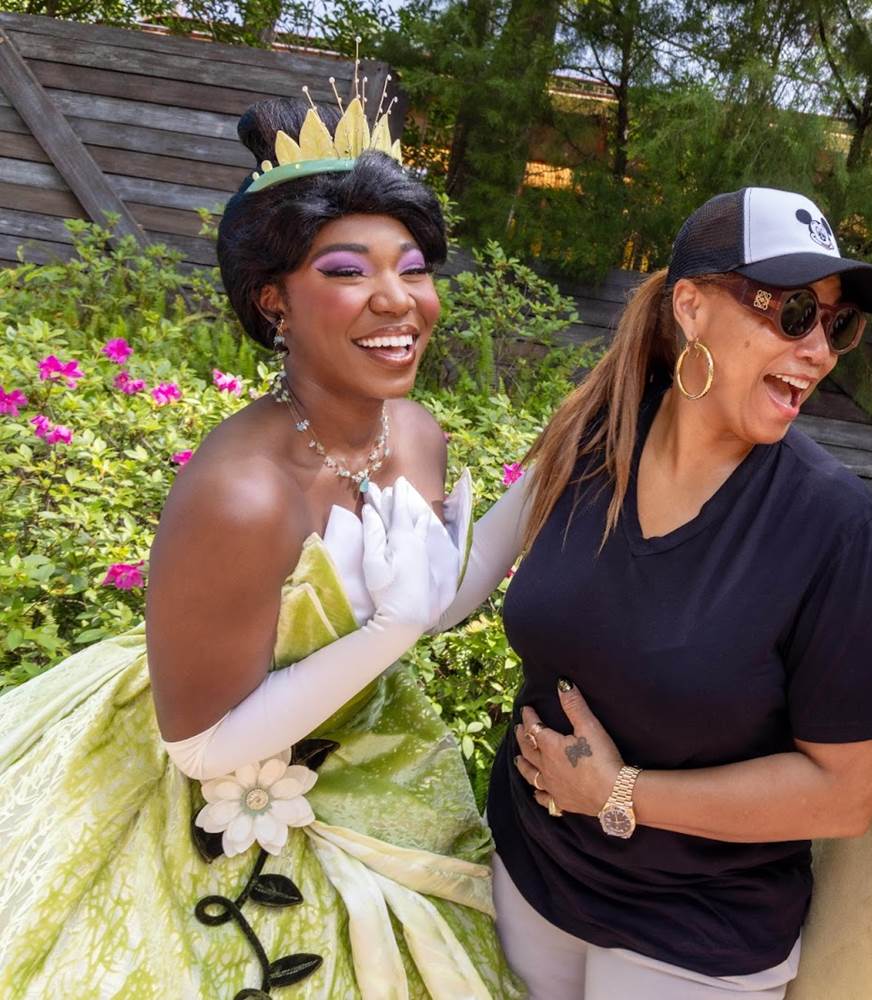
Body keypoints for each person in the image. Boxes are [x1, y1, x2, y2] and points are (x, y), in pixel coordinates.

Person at [0, 95, 515, 997]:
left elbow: (433, 599)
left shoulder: (416, 433)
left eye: (415, 268)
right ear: (274, 300)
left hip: (385, 772)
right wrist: (390, 632)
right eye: (348, 271)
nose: (398, 299)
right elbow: (202, 749)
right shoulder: (240, 494)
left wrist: (551, 479)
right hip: (223, 794)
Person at [437, 187, 872, 999]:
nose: (819, 351)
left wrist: (617, 794)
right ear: (691, 307)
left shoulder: (836, 529)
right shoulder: (594, 434)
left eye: (838, 325)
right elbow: (457, 577)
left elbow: (845, 795)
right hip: (529, 876)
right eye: (795, 313)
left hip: (693, 935)